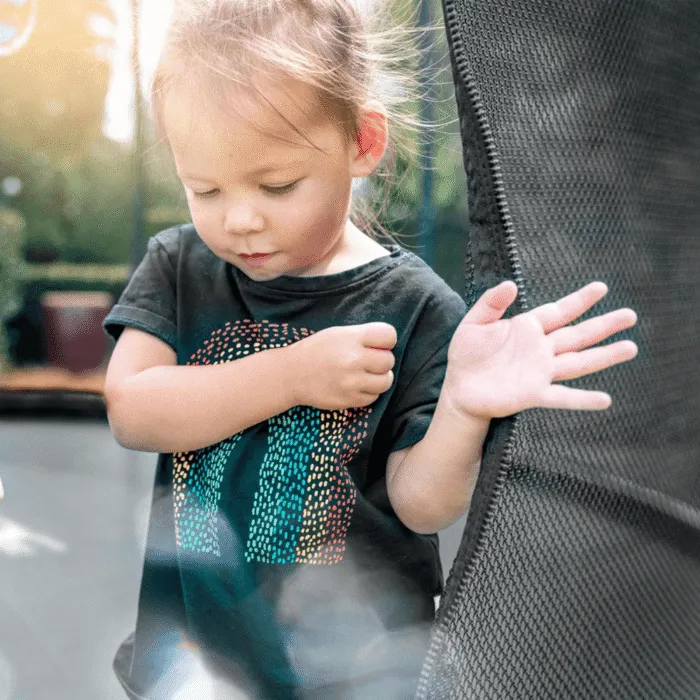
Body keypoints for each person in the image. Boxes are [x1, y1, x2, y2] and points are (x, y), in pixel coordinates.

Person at [101, 0, 639, 698]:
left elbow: (421, 506)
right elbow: (133, 409)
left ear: (362, 142)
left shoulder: (416, 308)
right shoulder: (180, 267)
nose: (240, 218)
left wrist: (463, 409)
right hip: (195, 666)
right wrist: (293, 374)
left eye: (276, 185)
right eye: (204, 188)